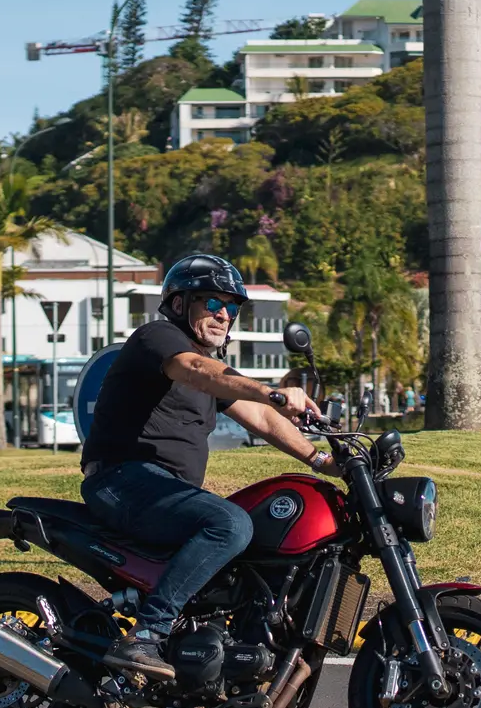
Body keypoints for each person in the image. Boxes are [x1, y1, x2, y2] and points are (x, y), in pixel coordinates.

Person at [80, 253, 336, 678]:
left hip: (162, 491)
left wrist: (322, 459)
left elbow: (264, 421)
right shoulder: (157, 339)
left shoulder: (212, 371)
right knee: (230, 524)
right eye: (212, 303)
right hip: (121, 480)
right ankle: (146, 635)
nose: (223, 314)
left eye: (232, 307)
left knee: (252, 534)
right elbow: (197, 369)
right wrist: (271, 390)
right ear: (180, 304)